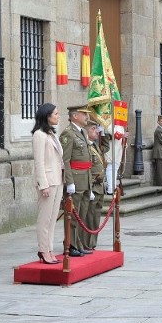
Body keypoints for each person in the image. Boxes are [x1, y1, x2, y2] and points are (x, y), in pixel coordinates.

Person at [31, 103, 63, 264]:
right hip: (48, 182)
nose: (58, 116)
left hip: (58, 180)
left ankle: (49, 248)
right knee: (44, 218)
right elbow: (39, 162)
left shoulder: (51, 134)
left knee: (52, 218)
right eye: (56, 114)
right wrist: (42, 184)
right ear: (47, 116)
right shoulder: (39, 135)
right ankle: (43, 249)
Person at [60, 105, 93, 257]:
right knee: (73, 215)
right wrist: (69, 182)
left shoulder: (82, 132)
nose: (87, 117)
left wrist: (90, 183)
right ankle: (71, 244)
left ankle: (79, 243)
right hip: (75, 179)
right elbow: (65, 160)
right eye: (84, 114)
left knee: (82, 214)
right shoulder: (68, 133)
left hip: (85, 179)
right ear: (74, 116)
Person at [85, 120, 107, 250]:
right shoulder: (87, 146)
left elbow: (106, 148)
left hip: (100, 186)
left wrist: (103, 134)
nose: (96, 131)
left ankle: (92, 242)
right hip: (93, 185)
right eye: (93, 129)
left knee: (96, 216)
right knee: (90, 216)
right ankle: (87, 243)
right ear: (86, 131)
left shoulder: (95, 145)